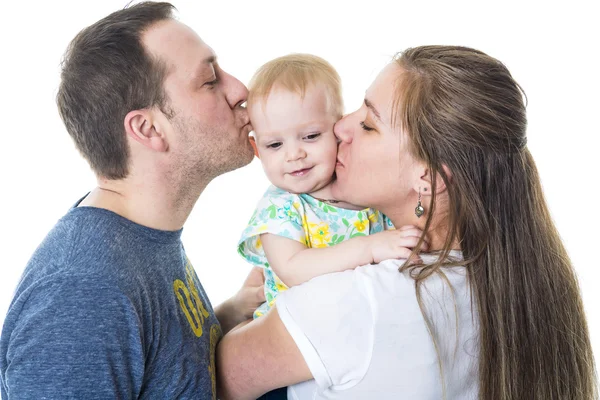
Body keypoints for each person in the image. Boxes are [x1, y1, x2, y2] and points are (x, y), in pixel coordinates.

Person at [217, 46, 598, 399]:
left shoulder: (356, 301)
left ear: (429, 180)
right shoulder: (509, 281)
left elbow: (214, 375)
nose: (341, 128)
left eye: (368, 124)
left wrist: (228, 313)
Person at [0, 2, 264, 399]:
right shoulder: (84, 294)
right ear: (148, 128)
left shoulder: (142, 238)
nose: (240, 90)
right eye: (210, 80)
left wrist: (226, 318)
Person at [238, 53, 425, 318]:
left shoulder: (363, 189)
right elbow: (294, 270)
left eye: (311, 136)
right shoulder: (280, 206)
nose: (294, 155)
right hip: (295, 335)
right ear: (257, 150)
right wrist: (369, 248)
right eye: (275, 145)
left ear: (337, 128)